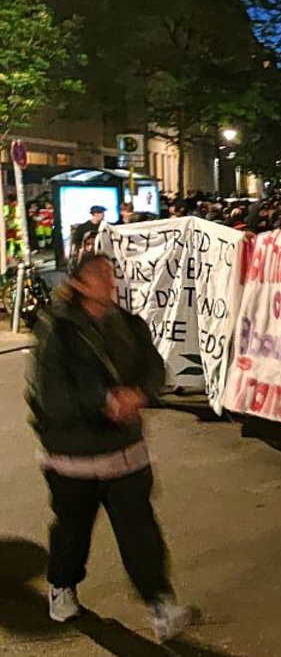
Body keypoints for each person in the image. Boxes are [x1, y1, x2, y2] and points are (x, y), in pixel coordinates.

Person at [26, 254, 192, 642]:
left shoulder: (128, 324)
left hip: (125, 452)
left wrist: (140, 394)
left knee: (141, 532)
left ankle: (160, 602)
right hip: (73, 458)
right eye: (100, 274)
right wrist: (103, 401)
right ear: (79, 284)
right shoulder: (57, 331)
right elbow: (49, 394)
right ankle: (62, 586)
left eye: (111, 273)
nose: (110, 280)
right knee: (72, 530)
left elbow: (154, 369)